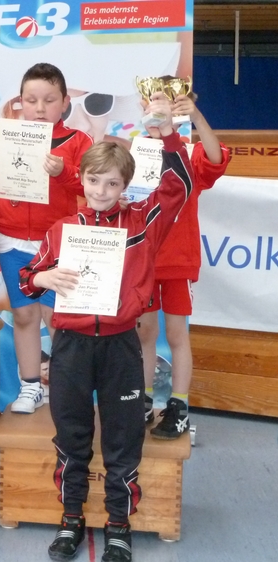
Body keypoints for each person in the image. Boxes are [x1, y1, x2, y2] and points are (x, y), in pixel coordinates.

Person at [18, 94, 193, 562]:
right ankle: (70, 519)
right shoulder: (61, 230)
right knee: (71, 437)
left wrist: (168, 133)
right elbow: (27, 278)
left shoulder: (142, 223)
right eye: (94, 180)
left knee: (123, 439)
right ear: (81, 179)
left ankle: (119, 525)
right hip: (71, 347)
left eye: (112, 183)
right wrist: (43, 279)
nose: (101, 190)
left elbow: (179, 185)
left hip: (120, 347)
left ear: (125, 185)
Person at [0, 63, 93, 415]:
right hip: (12, 245)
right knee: (24, 316)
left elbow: (91, 185)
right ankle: (30, 386)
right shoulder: (5, 134)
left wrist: (64, 173)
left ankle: (67, 389)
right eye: (31, 100)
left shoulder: (78, 141)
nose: (40, 108)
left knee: (57, 319)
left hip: (57, 246)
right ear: (20, 101)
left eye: (49, 100)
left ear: (65, 102)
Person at [136, 89, 229, 439]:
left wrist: (196, 117)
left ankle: (179, 406)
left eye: (166, 104)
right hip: (143, 260)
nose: (157, 110)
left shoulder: (189, 152)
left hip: (179, 260)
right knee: (144, 333)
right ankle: (143, 401)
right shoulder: (137, 152)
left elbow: (217, 159)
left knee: (177, 334)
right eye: (151, 103)